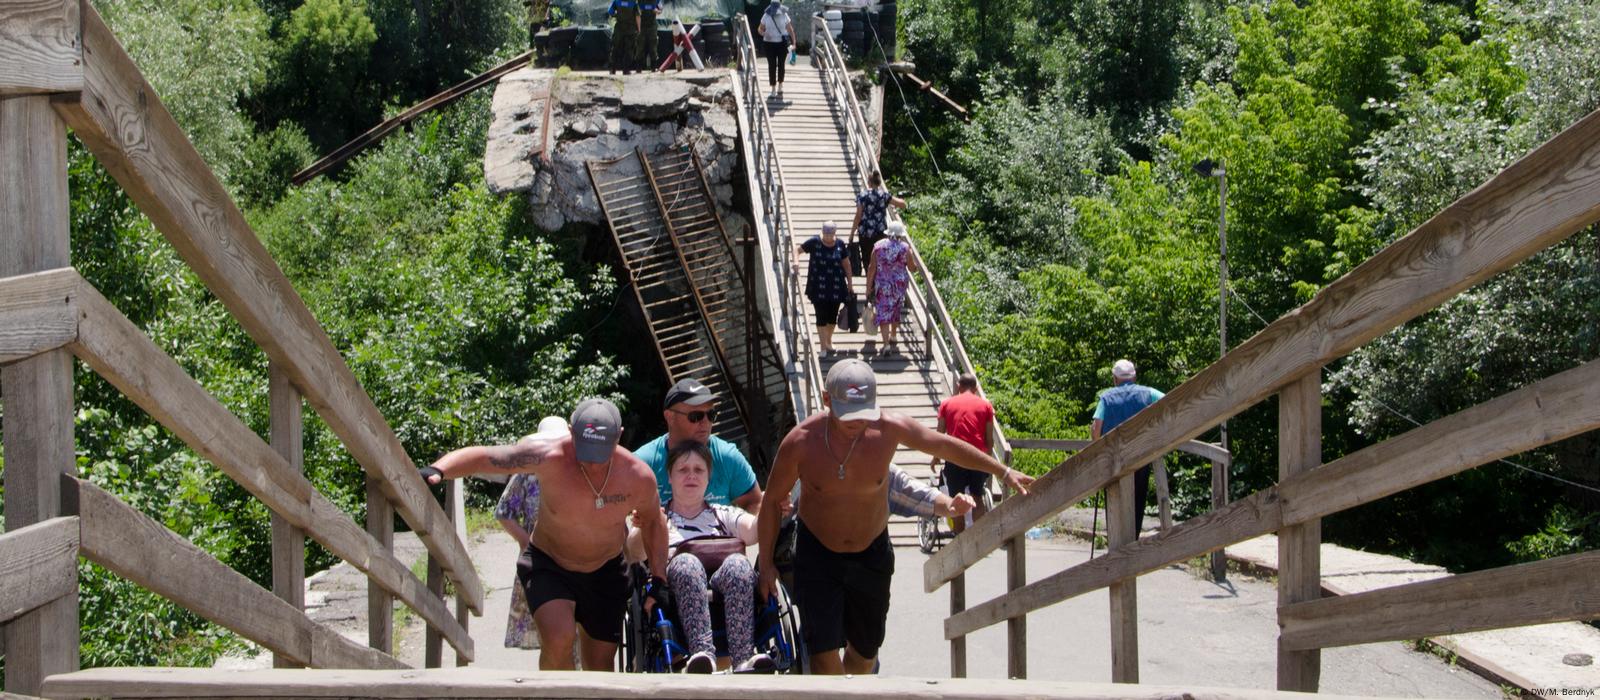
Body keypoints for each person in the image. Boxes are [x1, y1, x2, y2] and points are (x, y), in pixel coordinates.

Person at [756, 359, 1034, 675]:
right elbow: (771, 503)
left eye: (863, 412)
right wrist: (766, 564)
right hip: (818, 555)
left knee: (863, 655)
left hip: (870, 555)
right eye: (848, 412)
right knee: (823, 655)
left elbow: (944, 445)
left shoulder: (888, 429)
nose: (856, 422)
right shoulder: (801, 442)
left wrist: (1003, 470)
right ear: (827, 400)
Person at [420, 398, 670, 671]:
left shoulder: (637, 476)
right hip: (550, 564)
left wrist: (659, 577)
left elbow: (654, 522)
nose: (593, 464)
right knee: (559, 639)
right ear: (571, 433)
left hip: (605, 570)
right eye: (585, 452)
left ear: (618, 437)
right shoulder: (546, 456)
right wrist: (440, 469)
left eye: (601, 454)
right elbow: (487, 457)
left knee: (600, 665)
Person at [657, 441, 774, 673]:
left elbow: (753, 531)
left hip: (724, 583)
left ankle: (743, 658)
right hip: (680, 589)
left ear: (708, 477)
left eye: (698, 470)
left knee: (739, 565)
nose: (691, 476)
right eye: (683, 470)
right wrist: (646, 525)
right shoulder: (660, 519)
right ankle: (703, 654)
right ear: (669, 476)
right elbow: (634, 550)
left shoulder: (722, 514)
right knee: (686, 563)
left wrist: (772, 505)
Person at [493, 416, 570, 650]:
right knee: (550, 636)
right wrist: (525, 541)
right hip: (539, 559)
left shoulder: (577, 470)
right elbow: (504, 512)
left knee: (571, 631)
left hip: (574, 556)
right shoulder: (526, 474)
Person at [635, 378, 765, 512]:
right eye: (696, 416)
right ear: (670, 417)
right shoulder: (643, 464)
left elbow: (755, 503)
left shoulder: (727, 457)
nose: (705, 422)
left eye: (711, 415)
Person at [1091, 359, 1167, 534]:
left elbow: (1096, 429)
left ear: (1115, 378)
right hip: (1140, 457)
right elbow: (1169, 403)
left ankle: (1116, 541)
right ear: (1134, 377)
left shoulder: (1106, 398)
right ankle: (1133, 540)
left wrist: (1097, 448)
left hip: (1113, 459)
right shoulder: (1149, 393)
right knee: (1138, 500)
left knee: (1114, 500)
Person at [931, 373, 997, 534]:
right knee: (977, 497)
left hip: (955, 457)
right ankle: (978, 537)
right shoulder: (986, 405)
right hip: (977, 457)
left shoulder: (947, 404)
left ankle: (959, 540)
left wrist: (935, 457)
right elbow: (990, 439)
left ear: (958, 386)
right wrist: (987, 460)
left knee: (957, 499)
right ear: (976, 388)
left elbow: (939, 435)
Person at [797, 220, 854, 358]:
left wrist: (850, 284)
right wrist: (796, 262)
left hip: (836, 286)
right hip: (818, 287)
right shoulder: (815, 242)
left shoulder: (840, 244)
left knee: (832, 318)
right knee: (821, 316)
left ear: (835, 233)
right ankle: (823, 346)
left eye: (831, 234)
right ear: (823, 232)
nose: (828, 236)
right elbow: (797, 250)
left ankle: (828, 341)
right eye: (826, 234)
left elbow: (846, 264)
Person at [866, 221, 918, 357]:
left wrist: (868, 287)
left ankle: (885, 344)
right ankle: (894, 335)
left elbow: (872, 268)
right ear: (901, 234)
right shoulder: (905, 248)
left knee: (883, 311)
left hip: (883, 284)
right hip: (899, 285)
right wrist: (916, 265)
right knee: (896, 308)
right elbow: (912, 268)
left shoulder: (878, 246)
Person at [849, 171, 905, 272]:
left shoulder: (862, 196)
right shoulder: (884, 195)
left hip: (865, 232)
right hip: (880, 233)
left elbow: (858, 216)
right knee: (879, 259)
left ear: (869, 182)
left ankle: (869, 285)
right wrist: (893, 205)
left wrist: (852, 233)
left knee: (867, 259)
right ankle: (878, 283)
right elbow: (902, 204)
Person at [757, 0, 794, 98]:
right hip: (769, 44)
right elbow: (760, 29)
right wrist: (764, 33)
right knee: (772, 65)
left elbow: (790, 29)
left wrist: (794, 43)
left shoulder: (784, 15)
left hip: (782, 43)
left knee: (781, 64)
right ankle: (773, 88)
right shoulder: (766, 15)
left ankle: (780, 85)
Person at [608, 0, 639, 74]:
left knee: (615, 48)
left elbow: (610, 12)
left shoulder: (616, 1)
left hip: (619, 28)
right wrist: (639, 29)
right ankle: (626, 70)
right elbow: (637, 16)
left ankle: (613, 69)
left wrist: (617, 15)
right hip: (630, 29)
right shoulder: (634, 2)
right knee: (629, 49)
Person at [635, 0, 659, 73]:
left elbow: (660, 9)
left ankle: (653, 67)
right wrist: (638, 29)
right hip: (641, 26)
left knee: (653, 47)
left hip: (652, 26)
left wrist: (657, 11)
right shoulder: (639, 1)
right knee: (640, 47)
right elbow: (636, 12)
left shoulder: (656, 1)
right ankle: (638, 68)